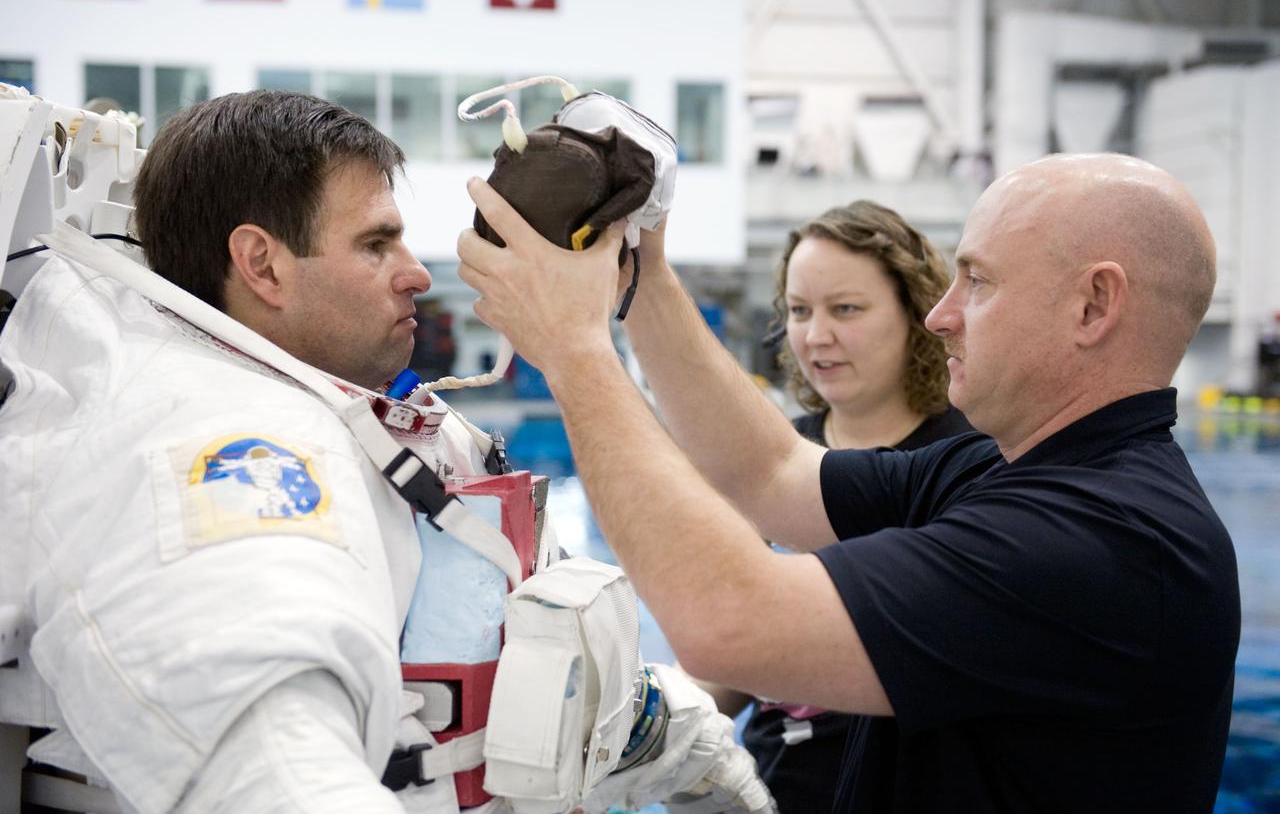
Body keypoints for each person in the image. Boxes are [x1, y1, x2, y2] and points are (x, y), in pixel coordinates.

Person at [0, 90, 769, 813]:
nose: (419, 275)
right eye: (377, 243)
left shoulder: (395, 424)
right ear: (261, 263)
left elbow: (576, 678)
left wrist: (714, 764)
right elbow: (273, 762)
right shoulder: (221, 452)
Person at [456, 152, 1241, 813]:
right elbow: (772, 471)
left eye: (979, 281)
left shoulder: (1108, 540)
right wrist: (644, 276)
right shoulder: (1004, 468)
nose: (943, 314)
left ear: (1093, 304)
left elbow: (731, 622)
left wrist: (572, 348)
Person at [732, 200, 972, 813]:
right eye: (799, 311)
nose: (817, 336)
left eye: (846, 309)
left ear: (917, 314)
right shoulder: (773, 457)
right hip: (769, 788)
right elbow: (736, 639)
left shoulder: (968, 462)